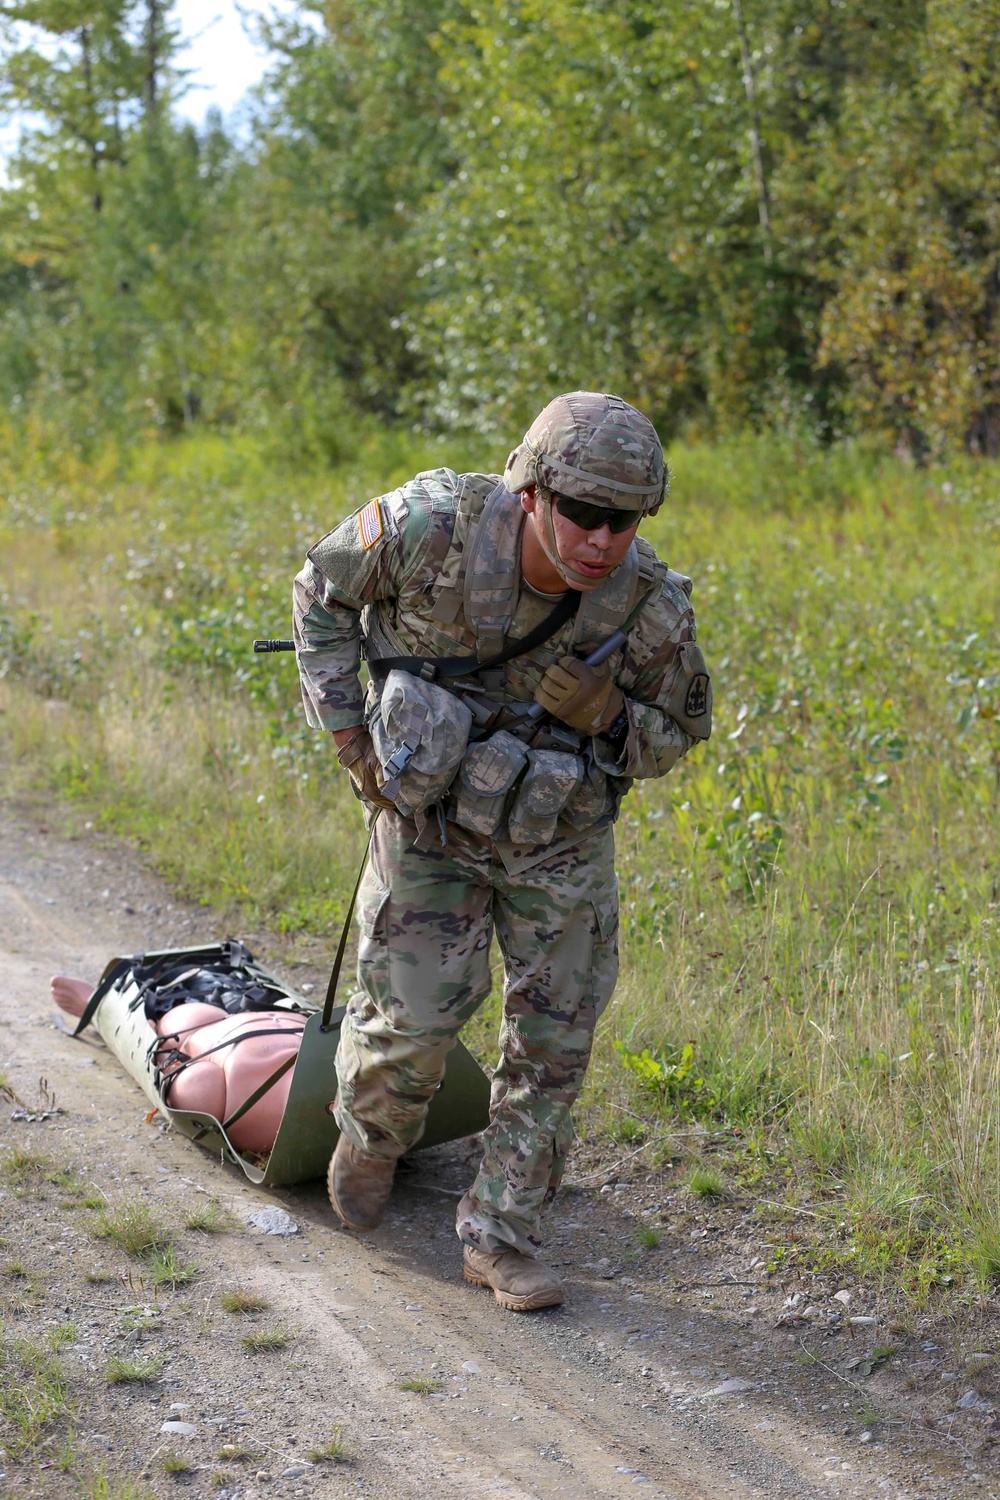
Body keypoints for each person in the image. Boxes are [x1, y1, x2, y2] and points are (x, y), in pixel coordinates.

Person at [293, 391, 713, 1311]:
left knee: (554, 1040)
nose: (604, 538)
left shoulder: (647, 606)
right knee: (409, 1028)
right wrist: (350, 742)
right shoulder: (429, 528)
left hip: (558, 838)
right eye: (585, 512)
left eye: (625, 518)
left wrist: (607, 716)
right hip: (430, 823)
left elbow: (680, 732)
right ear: (533, 490)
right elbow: (320, 595)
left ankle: (500, 1234)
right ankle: (369, 1135)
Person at [50, 975, 304, 1154]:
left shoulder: (224, 1100)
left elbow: (182, 1075)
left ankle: (107, 1011)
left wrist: (156, 1048)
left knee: (183, 1042)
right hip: (285, 1022)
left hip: (219, 1035)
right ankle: (122, 1016)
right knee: (188, 1045)